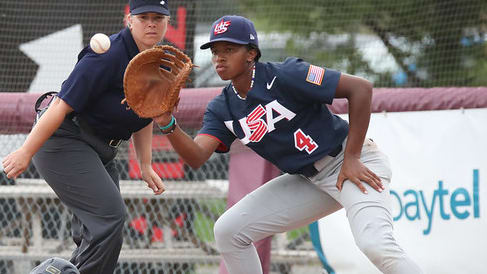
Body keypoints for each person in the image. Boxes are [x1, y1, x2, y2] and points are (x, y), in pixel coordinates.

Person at [153, 15, 424, 274]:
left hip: (351, 163)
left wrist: (353, 157)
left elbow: (360, 88)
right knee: (228, 231)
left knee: (376, 245)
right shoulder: (222, 107)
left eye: (229, 48)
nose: (219, 57)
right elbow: (197, 155)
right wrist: (167, 121)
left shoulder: (286, 74)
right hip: (309, 180)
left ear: (251, 53)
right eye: (214, 50)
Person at [2, 0, 170, 273]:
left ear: (167, 22)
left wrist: (146, 164)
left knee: (99, 233)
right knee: (109, 218)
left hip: (101, 150)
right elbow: (59, 105)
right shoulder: (108, 55)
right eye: (144, 17)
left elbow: (145, 113)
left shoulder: (158, 59)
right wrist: (26, 151)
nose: (151, 23)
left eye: (158, 17)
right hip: (66, 140)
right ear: (130, 20)